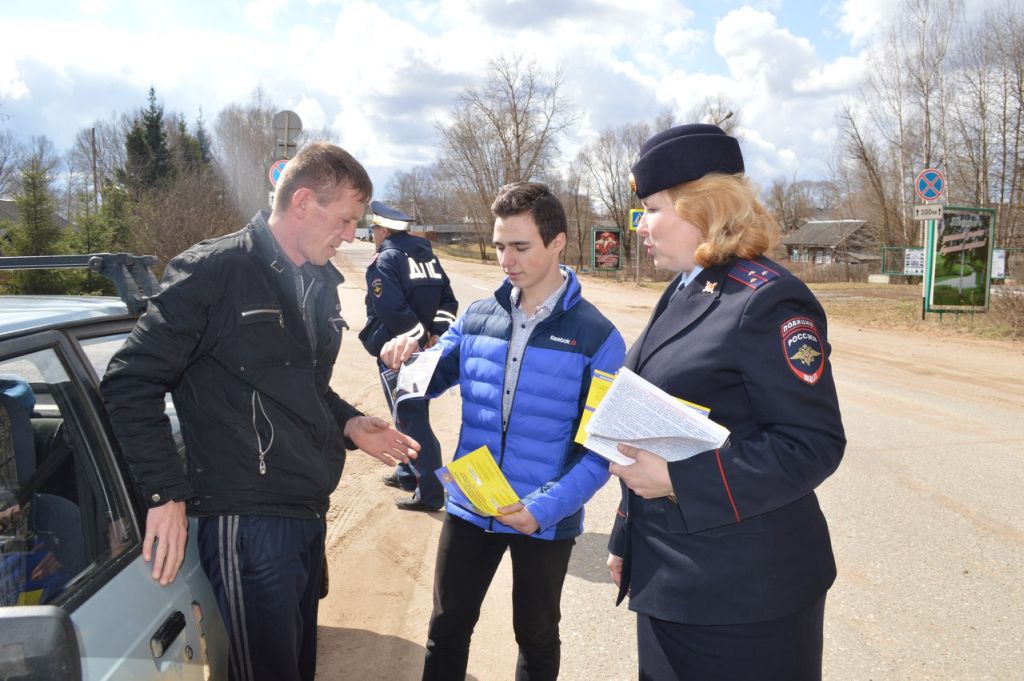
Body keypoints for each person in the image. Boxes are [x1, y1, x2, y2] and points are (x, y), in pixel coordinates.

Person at [100, 142, 419, 681]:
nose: (350, 236)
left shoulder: (316, 282)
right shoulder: (216, 271)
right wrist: (164, 493)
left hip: (303, 510)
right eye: (343, 220)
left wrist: (347, 422)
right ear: (302, 202)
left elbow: (300, 386)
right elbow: (130, 380)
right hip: (246, 520)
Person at [605, 123, 846, 681]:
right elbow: (662, 428)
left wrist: (678, 481)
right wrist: (627, 538)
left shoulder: (766, 300)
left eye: (653, 208)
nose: (640, 225)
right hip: (673, 577)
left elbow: (812, 445)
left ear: (703, 209)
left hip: (746, 598)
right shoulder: (689, 285)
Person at [380, 182, 626, 681]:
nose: (506, 260)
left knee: (536, 638)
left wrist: (543, 510)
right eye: (498, 246)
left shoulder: (599, 337)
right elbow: (431, 376)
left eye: (520, 246)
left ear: (557, 242)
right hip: (471, 503)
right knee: (447, 627)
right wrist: (402, 362)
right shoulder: (477, 316)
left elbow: (601, 449)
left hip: (544, 514)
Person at [359, 200, 458, 512]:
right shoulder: (426, 255)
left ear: (383, 229)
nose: (373, 233)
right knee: (410, 413)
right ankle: (406, 473)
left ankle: (429, 493)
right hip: (424, 352)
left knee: (412, 421)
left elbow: (392, 309)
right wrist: (434, 335)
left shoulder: (385, 260)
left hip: (397, 355)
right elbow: (448, 300)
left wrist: (414, 339)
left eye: (374, 228)